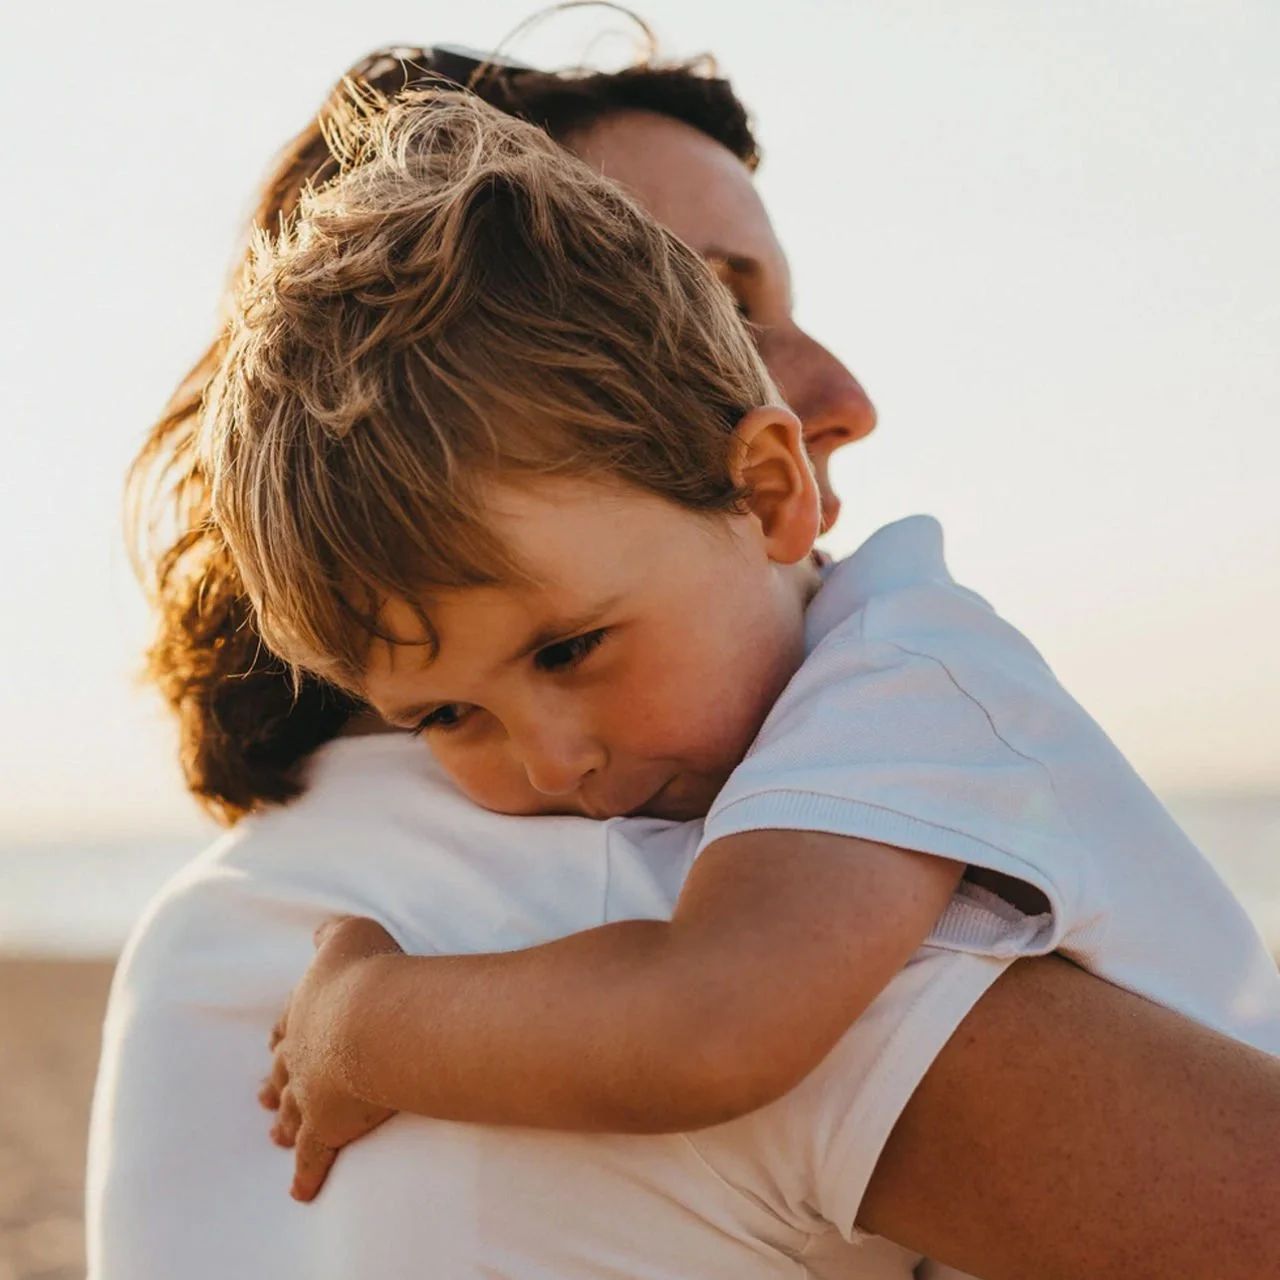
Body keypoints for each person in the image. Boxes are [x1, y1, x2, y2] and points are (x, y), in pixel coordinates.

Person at [92, 41, 1280, 1280]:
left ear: (755, 487)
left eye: (570, 648)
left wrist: (363, 1020)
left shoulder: (205, 936)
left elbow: (712, 1009)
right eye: (707, 295)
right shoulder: (642, 881)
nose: (847, 393)